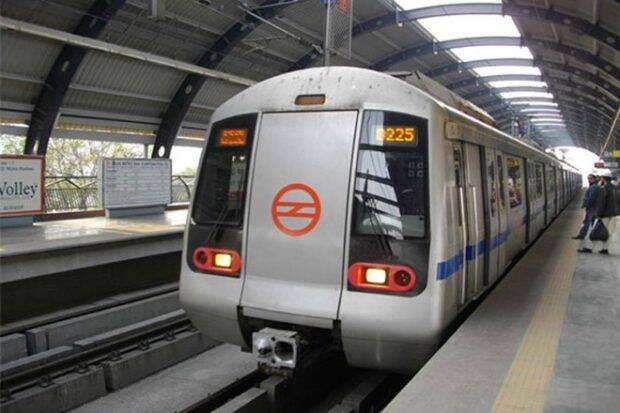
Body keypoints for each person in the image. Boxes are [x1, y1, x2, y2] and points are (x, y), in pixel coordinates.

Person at [578, 172, 618, 254]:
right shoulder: (616, 188)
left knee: (595, 230)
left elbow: (601, 202)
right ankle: (605, 249)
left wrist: (598, 214)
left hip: (605, 214)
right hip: (614, 213)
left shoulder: (603, 189)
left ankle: (589, 248)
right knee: (609, 232)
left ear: (603, 179)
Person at [573, 174, 600, 240]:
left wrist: (586, 204)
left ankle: (582, 235)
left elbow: (591, 198)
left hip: (591, 208)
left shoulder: (594, 187)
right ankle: (592, 235)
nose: (589, 180)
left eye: (590, 178)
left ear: (594, 179)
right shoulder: (595, 186)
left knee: (586, 222)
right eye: (588, 178)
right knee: (591, 222)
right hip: (593, 207)